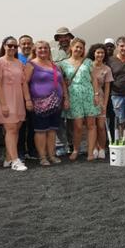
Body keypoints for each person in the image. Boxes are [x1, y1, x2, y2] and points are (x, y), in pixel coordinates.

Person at [23, 41, 69, 166]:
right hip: (39, 104)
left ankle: (52, 155)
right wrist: (27, 100)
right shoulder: (31, 65)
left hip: (56, 103)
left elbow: (62, 83)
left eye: (45, 48)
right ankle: (42, 157)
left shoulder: (54, 65)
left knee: (52, 130)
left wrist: (66, 98)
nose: (43, 50)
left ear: (49, 50)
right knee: (40, 130)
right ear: (35, 50)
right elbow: (24, 83)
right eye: (40, 48)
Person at [59, 38, 101, 161]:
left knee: (91, 125)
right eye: (76, 47)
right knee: (77, 126)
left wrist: (96, 94)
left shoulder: (88, 62)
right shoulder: (63, 64)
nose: (78, 49)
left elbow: (94, 79)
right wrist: (66, 98)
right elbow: (63, 83)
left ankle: (90, 152)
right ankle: (76, 150)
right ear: (71, 47)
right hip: (74, 96)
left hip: (89, 94)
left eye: (81, 47)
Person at [0, 36, 28, 171]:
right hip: (6, 100)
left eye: (14, 46)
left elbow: (23, 83)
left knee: (15, 129)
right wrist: (3, 104)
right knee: (11, 129)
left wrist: (27, 100)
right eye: (9, 45)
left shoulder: (19, 63)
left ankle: (8, 157)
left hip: (18, 100)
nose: (12, 48)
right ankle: (15, 160)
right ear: (4, 46)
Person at [87, 43, 114, 159]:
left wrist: (105, 103)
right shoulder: (88, 66)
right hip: (89, 98)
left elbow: (107, 88)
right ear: (93, 53)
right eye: (98, 52)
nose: (100, 54)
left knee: (101, 126)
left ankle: (102, 148)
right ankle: (93, 148)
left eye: (102, 52)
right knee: (91, 126)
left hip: (101, 98)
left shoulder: (107, 69)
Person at [53, 27, 74, 156]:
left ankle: (72, 144)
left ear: (70, 37)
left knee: (73, 119)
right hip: (59, 90)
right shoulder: (53, 53)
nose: (64, 39)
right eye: (61, 37)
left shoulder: (77, 49)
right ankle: (60, 145)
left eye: (66, 36)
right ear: (58, 39)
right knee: (59, 119)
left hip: (75, 90)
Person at [17, 35, 37, 159]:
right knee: (20, 126)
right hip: (18, 96)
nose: (26, 46)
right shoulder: (15, 58)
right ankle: (20, 152)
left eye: (28, 43)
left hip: (35, 95)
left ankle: (32, 150)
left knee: (33, 125)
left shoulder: (36, 57)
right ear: (19, 45)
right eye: (23, 44)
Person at [103, 38, 117, 144]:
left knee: (113, 117)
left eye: (111, 46)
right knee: (102, 118)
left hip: (114, 93)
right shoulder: (101, 59)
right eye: (107, 46)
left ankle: (112, 139)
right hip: (102, 93)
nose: (109, 48)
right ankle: (104, 141)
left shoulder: (117, 59)